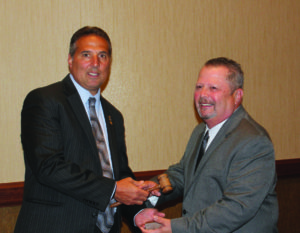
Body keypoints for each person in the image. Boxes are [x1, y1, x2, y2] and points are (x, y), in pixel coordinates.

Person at [14, 26, 157, 233]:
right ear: (70, 60)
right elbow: (48, 167)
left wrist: (138, 211)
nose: (95, 64)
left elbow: (119, 174)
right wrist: (115, 190)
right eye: (86, 55)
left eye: (102, 56)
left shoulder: (113, 115)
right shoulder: (44, 101)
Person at [135, 57, 278, 232]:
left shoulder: (254, 141)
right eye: (199, 87)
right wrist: (152, 190)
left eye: (213, 88)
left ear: (237, 96)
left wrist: (175, 227)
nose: (203, 95)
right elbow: (184, 174)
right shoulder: (200, 131)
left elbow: (236, 208)